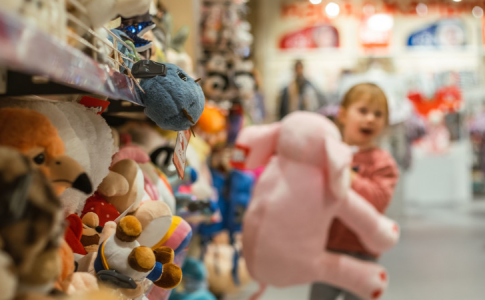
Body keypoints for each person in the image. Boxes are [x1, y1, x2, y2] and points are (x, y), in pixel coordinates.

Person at [310, 83, 400, 300]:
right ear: (342, 115)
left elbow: (377, 200)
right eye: (362, 111)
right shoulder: (328, 152)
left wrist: (348, 176)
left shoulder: (383, 162)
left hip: (363, 253)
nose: (370, 119)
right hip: (327, 248)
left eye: (378, 114)